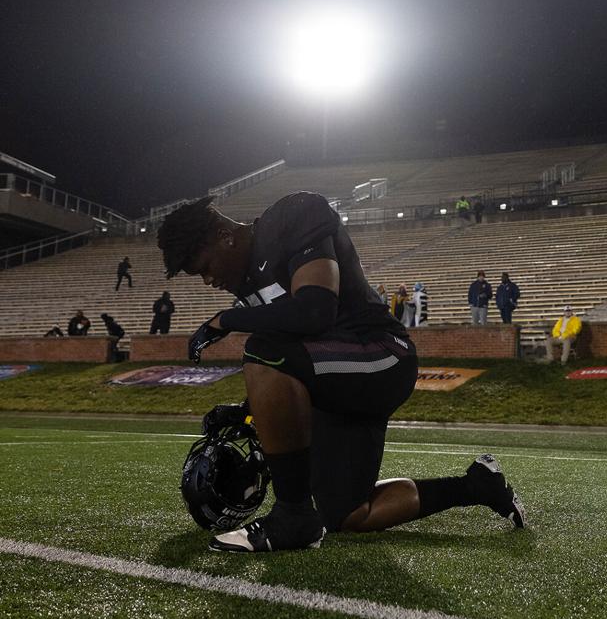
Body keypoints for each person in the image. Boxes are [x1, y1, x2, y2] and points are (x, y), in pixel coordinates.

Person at [157, 192, 525, 553]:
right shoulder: (247, 279)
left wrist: (226, 320)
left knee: (261, 349)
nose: (207, 280)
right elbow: (298, 361)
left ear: (225, 237)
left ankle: (293, 517)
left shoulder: (292, 216)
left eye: (204, 267)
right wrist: (246, 409)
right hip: (338, 379)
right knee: (347, 513)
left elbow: (315, 311)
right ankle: (477, 486)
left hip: (381, 355)